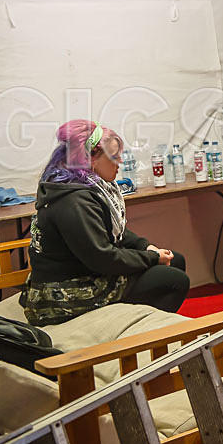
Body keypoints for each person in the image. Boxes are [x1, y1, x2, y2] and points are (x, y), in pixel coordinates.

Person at [24, 119, 190, 326]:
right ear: (91, 159)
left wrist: (145, 247)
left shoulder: (85, 188)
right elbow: (102, 257)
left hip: (85, 272)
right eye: (114, 156)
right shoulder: (74, 201)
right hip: (63, 292)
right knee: (173, 280)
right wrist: (150, 258)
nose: (120, 161)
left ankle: (138, 326)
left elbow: (111, 230)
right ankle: (129, 333)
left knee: (175, 260)